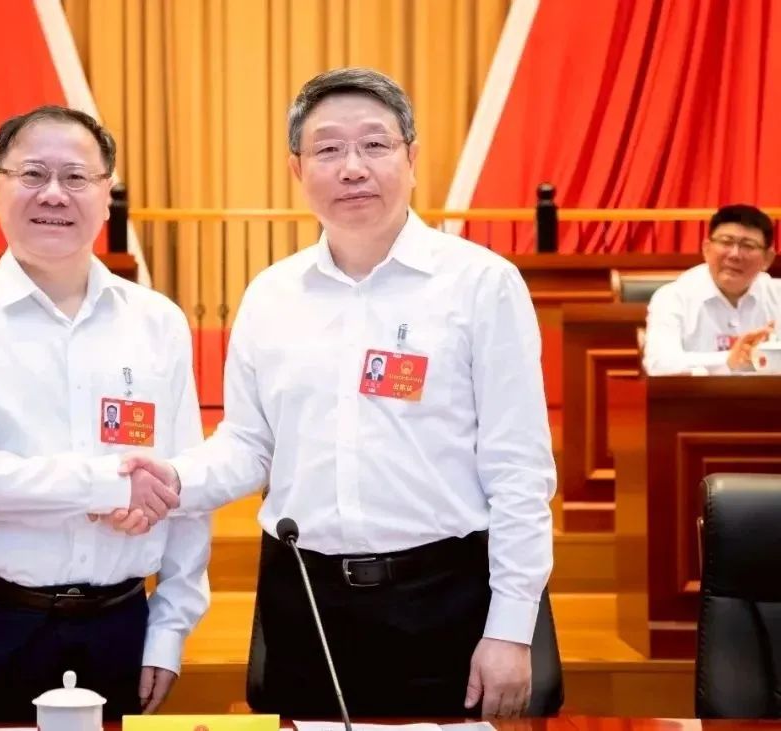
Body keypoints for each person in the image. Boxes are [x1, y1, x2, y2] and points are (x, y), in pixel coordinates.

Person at [118, 67, 555, 719]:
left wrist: (512, 627)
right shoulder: (272, 294)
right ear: (297, 168)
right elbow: (248, 444)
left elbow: (519, 469)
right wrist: (174, 480)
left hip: (443, 597)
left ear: (412, 157)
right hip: (305, 600)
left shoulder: (481, 285)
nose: (353, 167)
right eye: (328, 149)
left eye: (375, 144)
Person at [0, 105, 209, 722]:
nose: (54, 194)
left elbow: (183, 486)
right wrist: (104, 484)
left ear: (106, 194)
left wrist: (170, 627)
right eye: (33, 174)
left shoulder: (158, 322)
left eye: (76, 177)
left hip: (117, 629)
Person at [643, 204, 780, 375]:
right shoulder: (672, 297)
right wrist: (729, 359)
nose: (735, 254)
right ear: (706, 249)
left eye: (748, 246)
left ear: (768, 259)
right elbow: (659, 365)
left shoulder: (777, 296)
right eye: (726, 242)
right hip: (696, 393)